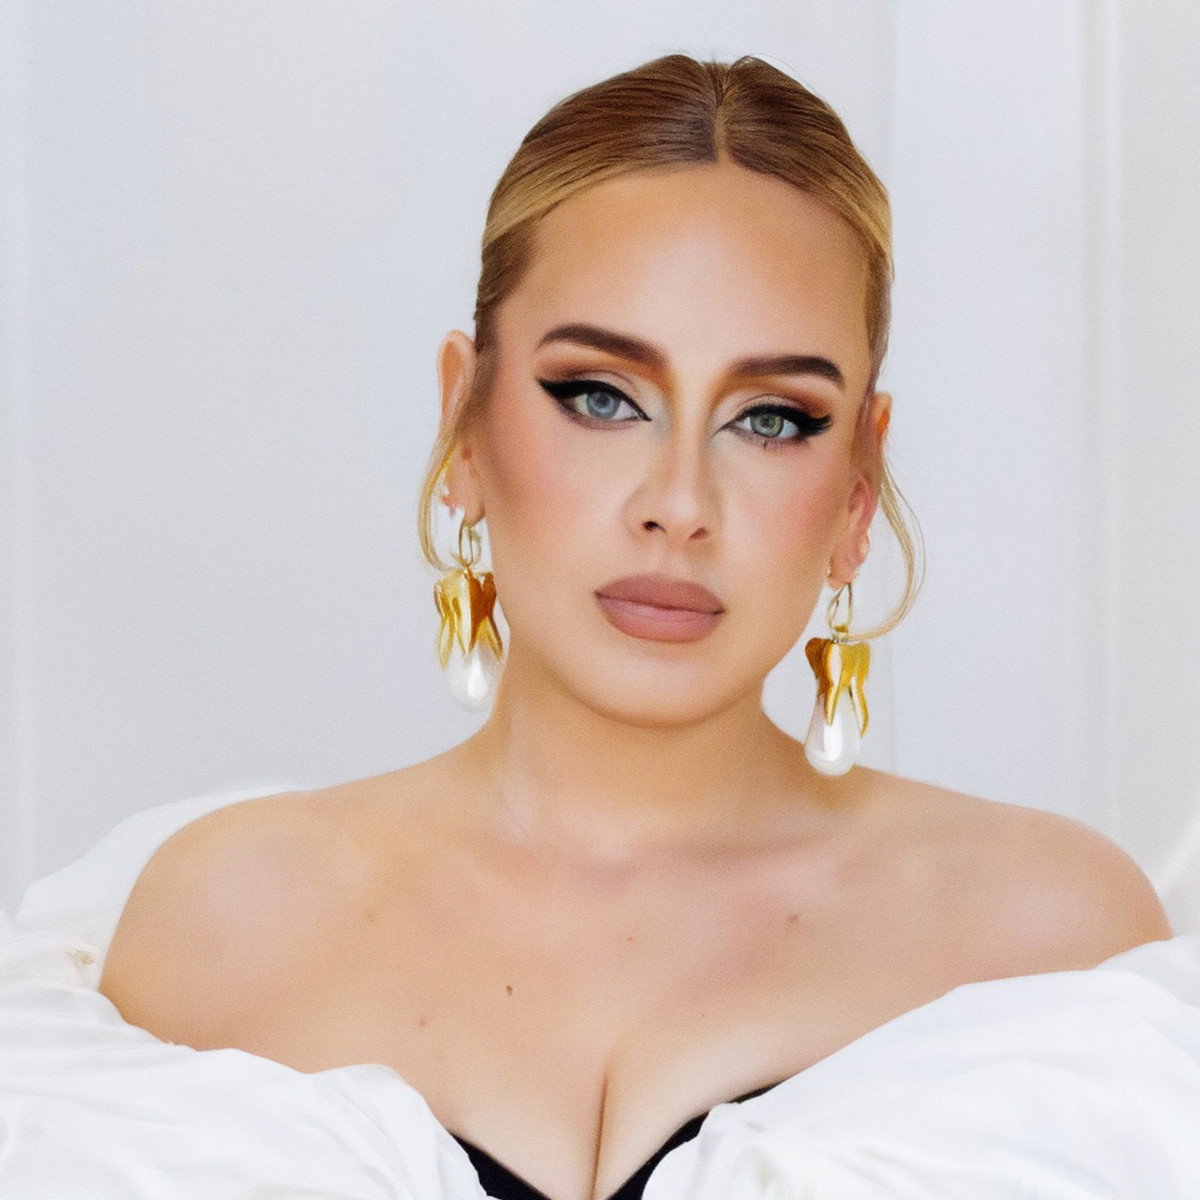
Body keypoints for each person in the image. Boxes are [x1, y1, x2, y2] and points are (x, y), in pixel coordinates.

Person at [4, 53, 1194, 1200]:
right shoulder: (219, 921)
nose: (680, 503)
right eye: (601, 396)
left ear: (857, 491)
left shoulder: (1051, 936)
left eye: (772, 419)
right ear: (463, 426)